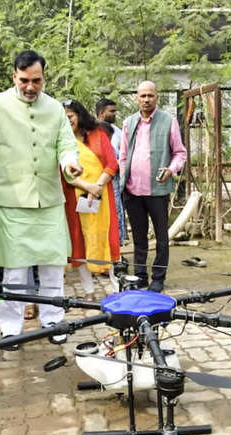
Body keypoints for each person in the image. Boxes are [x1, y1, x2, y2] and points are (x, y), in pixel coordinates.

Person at [0, 50, 81, 348]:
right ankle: (10, 329)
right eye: (24, 81)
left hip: (48, 201)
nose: (30, 87)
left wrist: (70, 163)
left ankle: (53, 321)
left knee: (52, 266)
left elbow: (66, 145)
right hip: (10, 202)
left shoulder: (56, 108)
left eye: (37, 80)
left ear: (45, 77)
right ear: (13, 77)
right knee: (14, 270)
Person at [118, 81, 187, 292]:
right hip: (133, 190)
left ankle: (158, 277)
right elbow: (122, 155)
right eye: (142, 96)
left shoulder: (168, 121)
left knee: (161, 237)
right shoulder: (129, 123)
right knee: (138, 237)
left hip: (157, 191)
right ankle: (140, 276)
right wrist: (123, 180)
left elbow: (180, 153)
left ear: (157, 97)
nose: (146, 99)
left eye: (150, 95)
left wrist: (171, 169)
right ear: (136, 98)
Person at [62, 99, 120, 299]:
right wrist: (86, 187)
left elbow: (112, 163)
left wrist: (97, 187)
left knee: (106, 240)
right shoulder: (61, 141)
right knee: (79, 242)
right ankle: (88, 291)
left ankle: (115, 289)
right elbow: (65, 173)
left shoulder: (98, 134)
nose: (67, 120)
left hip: (102, 197)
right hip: (73, 197)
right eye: (63, 117)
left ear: (79, 115)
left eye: (69, 116)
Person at [96, 97, 127, 246]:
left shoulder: (118, 132)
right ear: (102, 113)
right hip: (95, 183)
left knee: (115, 215)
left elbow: (122, 155)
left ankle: (116, 251)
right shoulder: (91, 130)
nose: (115, 114)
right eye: (112, 111)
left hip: (114, 181)